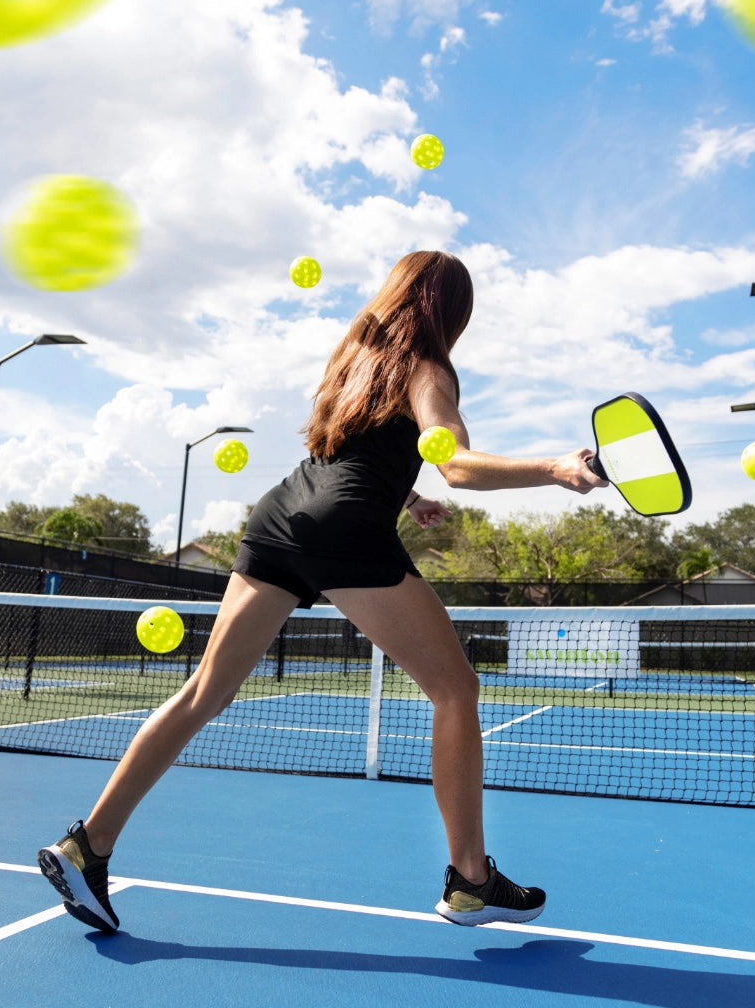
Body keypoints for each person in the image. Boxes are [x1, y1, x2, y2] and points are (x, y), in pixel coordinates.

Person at [38, 250, 607, 933]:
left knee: (203, 695)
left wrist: (409, 495)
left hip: (280, 516)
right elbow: (454, 461)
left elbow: (361, 455)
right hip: (343, 531)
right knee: (456, 691)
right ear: (452, 312)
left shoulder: (356, 359)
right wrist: (554, 468)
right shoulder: (429, 368)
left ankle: (87, 844)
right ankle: (471, 879)